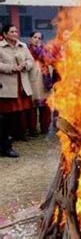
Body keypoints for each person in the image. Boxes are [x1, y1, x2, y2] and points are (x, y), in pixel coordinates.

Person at [0, 24, 36, 156]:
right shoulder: (0, 47)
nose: (15, 33)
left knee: (14, 118)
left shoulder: (23, 46)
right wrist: (11, 68)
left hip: (21, 87)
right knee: (4, 118)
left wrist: (25, 65)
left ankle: (8, 144)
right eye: (12, 31)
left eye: (16, 31)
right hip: (6, 87)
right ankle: (5, 146)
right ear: (5, 34)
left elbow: (31, 61)